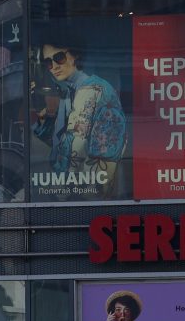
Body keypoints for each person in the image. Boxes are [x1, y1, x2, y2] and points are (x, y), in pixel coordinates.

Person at [34, 36, 129, 199]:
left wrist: (57, 190)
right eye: (48, 62)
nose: (54, 66)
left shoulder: (91, 90)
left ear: (75, 56)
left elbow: (75, 147)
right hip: (82, 188)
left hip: (86, 190)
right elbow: (60, 142)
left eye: (59, 58)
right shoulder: (69, 92)